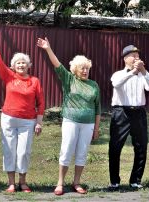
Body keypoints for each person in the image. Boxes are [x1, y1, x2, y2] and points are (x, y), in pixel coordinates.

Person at [37, 37, 101, 195]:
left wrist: (96, 128)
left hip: (88, 124)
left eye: (87, 68)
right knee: (66, 150)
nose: (85, 71)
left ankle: (77, 183)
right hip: (71, 121)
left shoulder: (94, 85)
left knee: (82, 152)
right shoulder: (69, 79)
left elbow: (97, 107)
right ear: (75, 70)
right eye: (82, 68)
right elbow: (57, 64)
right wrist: (47, 48)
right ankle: (60, 183)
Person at [0, 31, 45, 193]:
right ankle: (11, 183)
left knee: (24, 151)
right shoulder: (9, 76)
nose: (21, 65)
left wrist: (39, 122)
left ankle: (23, 182)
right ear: (13, 66)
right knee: (9, 150)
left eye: (23, 63)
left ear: (28, 66)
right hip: (9, 119)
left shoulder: (35, 81)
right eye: (18, 63)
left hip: (28, 121)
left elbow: (41, 103)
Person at [108, 44, 149, 191]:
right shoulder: (118, 74)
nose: (137, 58)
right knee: (115, 147)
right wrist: (133, 72)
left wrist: (143, 71)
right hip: (121, 112)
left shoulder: (143, 75)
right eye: (133, 56)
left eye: (138, 55)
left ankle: (135, 180)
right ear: (125, 59)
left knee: (141, 147)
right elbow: (116, 84)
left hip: (139, 112)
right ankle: (114, 181)